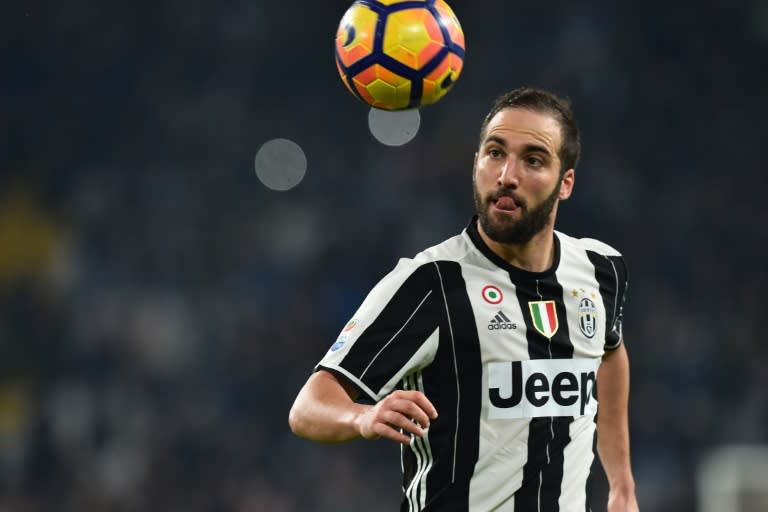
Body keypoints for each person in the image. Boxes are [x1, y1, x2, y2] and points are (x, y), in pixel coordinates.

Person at [289, 86, 639, 512]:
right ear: (476, 163)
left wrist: (621, 483)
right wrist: (363, 416)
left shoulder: (602, 271)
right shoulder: (430, 283)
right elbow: (309, 406)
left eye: (533, 160)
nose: (507, 175)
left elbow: (610, 354)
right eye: (495, 153)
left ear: (565, 183)